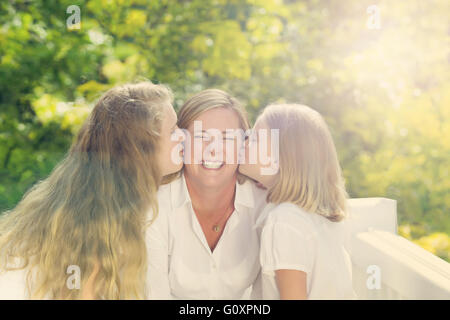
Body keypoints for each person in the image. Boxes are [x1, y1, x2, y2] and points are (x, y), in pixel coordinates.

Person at [0, 81, 184, 299]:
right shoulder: (100, 224)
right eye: (172, 131)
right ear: (141, 149)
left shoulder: (111, 197)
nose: (182, 135)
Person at [146, 89, 267, 299]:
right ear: (181, 142)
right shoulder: (154, 208)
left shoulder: (264, 205)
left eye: (228, 138)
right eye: (202, 136)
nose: (214, 149)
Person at [239, 103, 355, 299]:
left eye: (256, 139)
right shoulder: (314, 217)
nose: (245, 142)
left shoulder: (284, 221)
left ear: (284, 156)